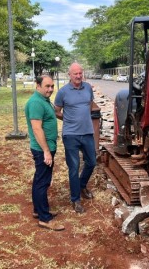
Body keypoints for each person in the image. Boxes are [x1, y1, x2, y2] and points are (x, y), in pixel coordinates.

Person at [54, 63, 97, 214]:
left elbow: (90, 105)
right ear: (69, 75)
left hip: (87, 133)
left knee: (92, 162)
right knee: (74, 167)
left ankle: (82, 185)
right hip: (70, 135)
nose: (78, 76)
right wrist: (69, 119)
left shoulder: (88, 88)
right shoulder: (63, 92)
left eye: (80, 73)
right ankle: (75, 199)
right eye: (75, 74)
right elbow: (57, 111)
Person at [25, 75, 64, 231]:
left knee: (40, 179)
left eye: (52, 86)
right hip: (42, 149)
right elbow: (36, 128)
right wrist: (46, 151)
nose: (50, 89)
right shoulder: (36, 103)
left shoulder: (43, 100)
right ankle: (44, 219)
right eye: (47, 86)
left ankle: (38, 210)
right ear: (38, 86)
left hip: (46, 148)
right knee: (43, 182)